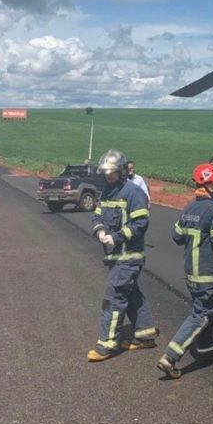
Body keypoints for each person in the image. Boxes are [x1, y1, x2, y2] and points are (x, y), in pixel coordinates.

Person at [156, 162, 213, 379]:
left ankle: (206, 350)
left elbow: (176, 236)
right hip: (208, 273)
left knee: (208, 312)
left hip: (191, 273)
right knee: (201, 314)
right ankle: (170, 356)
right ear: (211, 186)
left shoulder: (190, 208)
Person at [87, 149, 158, 361]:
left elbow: (141, 223)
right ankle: (146, 336)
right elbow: (97, 216)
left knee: (114, 297)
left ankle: (107, 344)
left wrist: (116, 237)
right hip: (115, 256)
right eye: (106, 173)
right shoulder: (106, 192)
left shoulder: (134, 193)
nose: (108, 177)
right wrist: (100, 230)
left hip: (129, 256)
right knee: (132, 293)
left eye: (112, 173)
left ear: (121, 171)